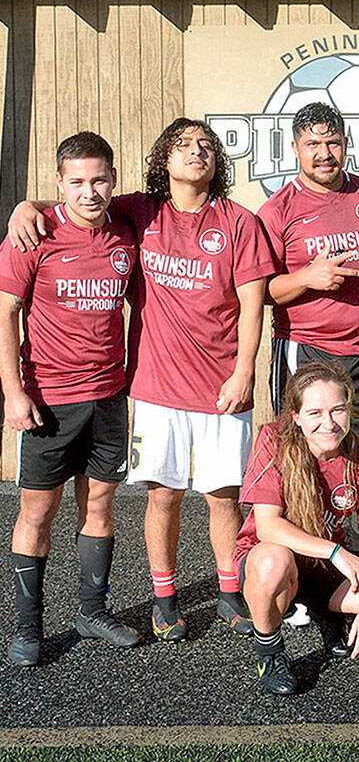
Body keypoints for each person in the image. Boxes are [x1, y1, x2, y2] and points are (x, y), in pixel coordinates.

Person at [6, 118, 275, 643]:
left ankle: (226, 594)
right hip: (152, 387)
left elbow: (253, 304)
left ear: (216, 159)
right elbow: (77, 197)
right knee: (163, 496)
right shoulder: (140, 211)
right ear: (162, 161)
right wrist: (27, 206)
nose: (196, 153)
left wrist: (245, 370)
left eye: (205, 146)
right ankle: (163, 598)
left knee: (224, 495)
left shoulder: (238, 221)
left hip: (220, 386)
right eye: (182, 146)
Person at [2, 132, 140, 665]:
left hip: (108, 397)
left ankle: (91, 610)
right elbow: (5, 314)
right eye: (77, 181)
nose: (90, 191)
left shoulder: (125, 236)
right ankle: (27, 627)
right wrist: (13, 392)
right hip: (48, 401)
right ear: (59, 182)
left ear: (113, 179)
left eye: (99, 179)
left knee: (100, 505)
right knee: (38, 511)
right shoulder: (31, 236)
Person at [235, 362, 359, 695]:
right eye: (315, 412)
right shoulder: (273, 441)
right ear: (296, 416)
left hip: (322, 566)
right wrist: (336, 552)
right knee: (273, 563)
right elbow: (267, 526)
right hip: (272, 559)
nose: (329, 423)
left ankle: (326, 612)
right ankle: (270, 652)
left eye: (337, 410)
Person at [258, 102, 359, 446]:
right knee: (305, 452)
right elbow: (260, 292)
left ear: (346, 144)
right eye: (312, 145)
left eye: (332, 143)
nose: (324, 154)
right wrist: (306, 278)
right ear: (294, 148)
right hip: (307, 351)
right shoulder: (277, 210)